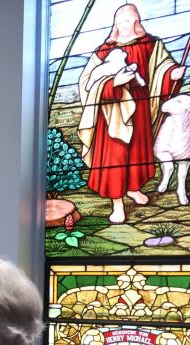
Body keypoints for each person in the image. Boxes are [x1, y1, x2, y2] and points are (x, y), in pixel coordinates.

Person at [77, 3, 184, 223]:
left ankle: (133, 189)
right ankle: (117, 203)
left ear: (136, 22)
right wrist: (115, 82)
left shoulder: (149, 44)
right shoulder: (104, 50)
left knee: (137, 153)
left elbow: (161, 67)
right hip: (112, 112)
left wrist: (173, 73)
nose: (120, 24)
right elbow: (88, 82)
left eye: (125, 20)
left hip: (140, 108)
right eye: (118, 20)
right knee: (115, 157)